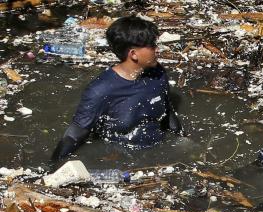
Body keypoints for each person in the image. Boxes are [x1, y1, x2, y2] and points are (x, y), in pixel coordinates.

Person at [51, 16, 182, 161]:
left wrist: (181, 138)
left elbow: (167, 109)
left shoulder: (158, 74)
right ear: (133, 54)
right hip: (118, 157)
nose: (157, 50)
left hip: (158, 153)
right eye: (152, 46)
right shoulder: (101, 90)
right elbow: (74, 135)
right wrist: (53, 166)